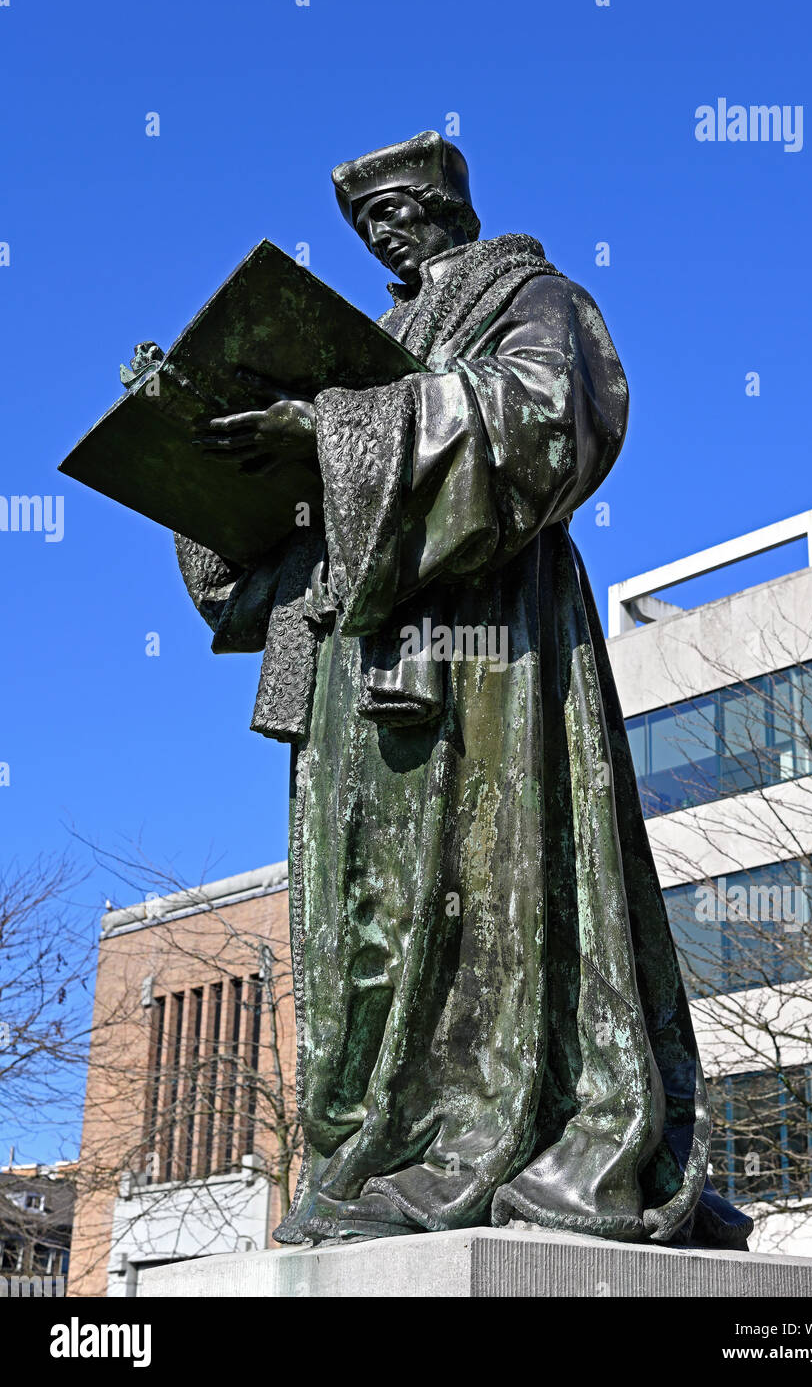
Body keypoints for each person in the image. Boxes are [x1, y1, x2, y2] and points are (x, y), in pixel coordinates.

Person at [178, 130, 752, 1249]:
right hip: (357, 650)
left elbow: (550, 415)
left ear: (451, 201)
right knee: (367, 910)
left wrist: (336, 429)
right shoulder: (372, 336)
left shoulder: (531, 294)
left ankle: (507, 1134)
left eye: (398, 204)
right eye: (364, 219)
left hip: (487, 644)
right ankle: (382, 1146)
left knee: (486, 884)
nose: (383, 228)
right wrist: (213, 454)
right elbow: (261, 551)